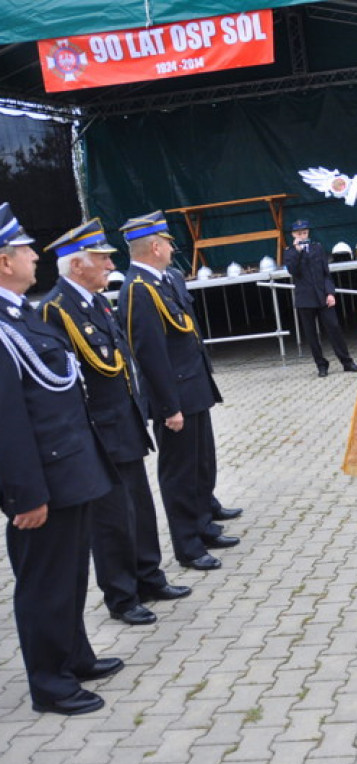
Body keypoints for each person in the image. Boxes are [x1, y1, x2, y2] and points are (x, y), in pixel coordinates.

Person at [0, 203, 123, 715]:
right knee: (45, 585)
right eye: (25, 250)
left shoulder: (23, 314)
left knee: (71, 574)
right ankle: (51, 684)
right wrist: (23, 494)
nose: (34, 256)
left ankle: (74, 655)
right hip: (41, 481)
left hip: (69, 468)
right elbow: (6, 422)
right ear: (4, 262)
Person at [41, 219, 192, 625]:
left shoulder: (97, 302)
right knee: (111, 519)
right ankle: (122, 596)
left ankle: (148, 576)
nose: (110, 266)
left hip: (123, 421)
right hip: (97, 430)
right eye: (102, 259)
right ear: (77, 266)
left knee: (139, 507)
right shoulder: (55, 310)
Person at [118, 211, 239, 572]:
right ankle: (188, 544)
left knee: (201, 462)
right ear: (155, 247)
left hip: (193, 387)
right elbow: (150, 356)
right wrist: (169, 406)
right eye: (168, 243)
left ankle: (203, 524)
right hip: (174, 398)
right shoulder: (138, 290)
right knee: (179, 474)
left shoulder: (165, 280)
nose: (173, 249)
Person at [283, 219, 357, 377]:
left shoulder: (317, 248)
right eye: (299, 233)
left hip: (322, 296)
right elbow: (293, 271)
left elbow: (326, 273)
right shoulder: (289, 251)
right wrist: (297, 250)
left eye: (304, 232)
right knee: (311, 335)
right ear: (293, 234)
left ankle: (346, 362)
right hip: (305, 299)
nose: (302, 235)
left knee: (334, 328)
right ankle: (321, 365)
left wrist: (330, 293)